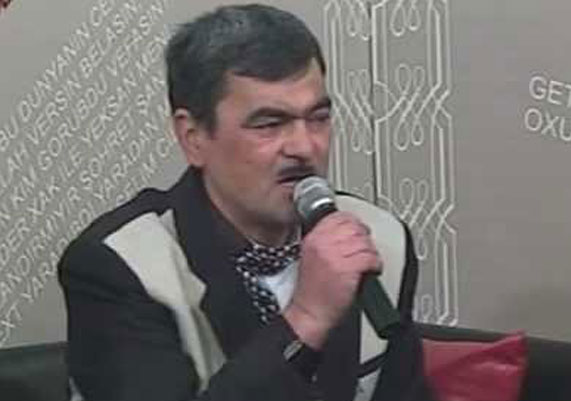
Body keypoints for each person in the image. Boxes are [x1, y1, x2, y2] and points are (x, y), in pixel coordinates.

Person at [58, 4, 419, 401]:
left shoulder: (379, 239)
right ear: (193, 137)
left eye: (318, 118)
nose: (305, 147)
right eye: (269, 124)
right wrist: (306, 319)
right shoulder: (120, 265)